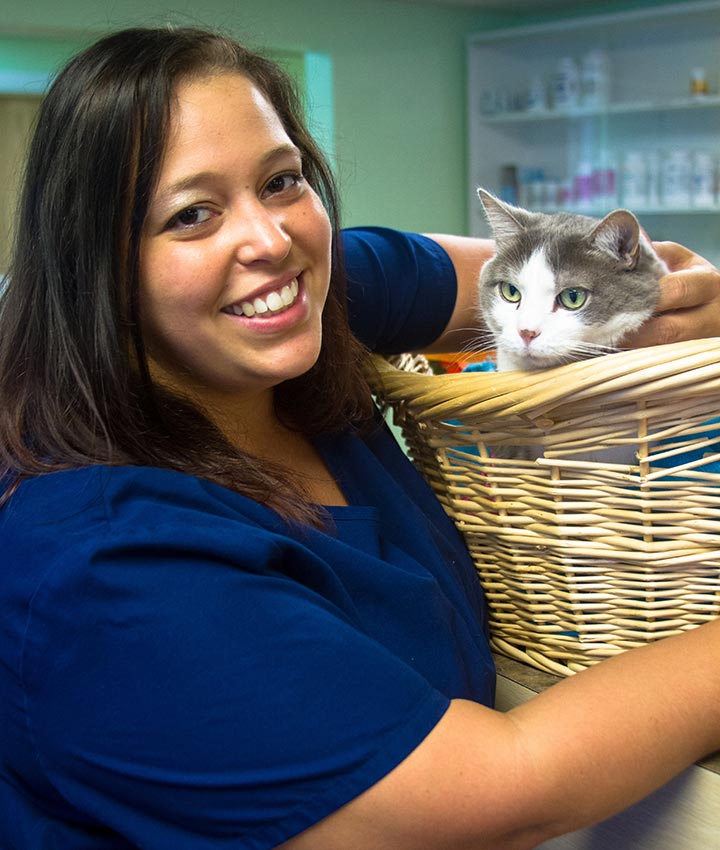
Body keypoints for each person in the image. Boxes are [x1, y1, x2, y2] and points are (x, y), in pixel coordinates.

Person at [0, 25, 718, 850]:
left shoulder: (303, 305)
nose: (270, 242)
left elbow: (560, 273)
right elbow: (499, 793)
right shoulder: (103, 570)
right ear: (97, 263)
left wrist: (684, 301)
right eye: (191, 214)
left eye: (280, 181)